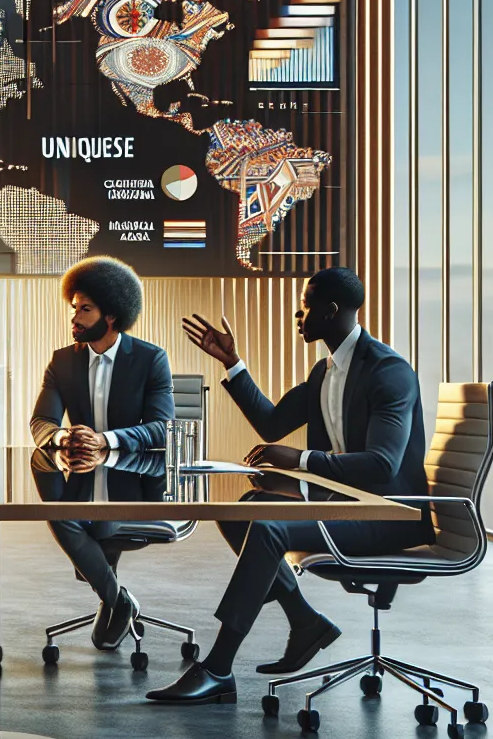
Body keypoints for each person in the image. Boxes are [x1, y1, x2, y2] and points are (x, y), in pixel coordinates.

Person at [146, 266, 434, 704]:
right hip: (345, 506)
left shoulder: (387, 371)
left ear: (331, 311)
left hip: (388, 516)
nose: (297, 315)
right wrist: (231, 362)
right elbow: (272, 422)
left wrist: (297, 460)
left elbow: (381, 465)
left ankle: (218, 668)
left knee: (269, 526)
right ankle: (305, 622)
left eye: (305, 306)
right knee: (241, 509)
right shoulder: (325, 372)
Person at [29, 256, 174, 654]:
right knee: (57, 510)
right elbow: (41, 421)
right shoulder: (62, 360)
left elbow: (161, 429)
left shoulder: (150, 359)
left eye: (85, 308)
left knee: (88, 519)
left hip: (138, 486)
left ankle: (110, 597)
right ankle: (117, 599)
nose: (74, 316)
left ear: (111, 315)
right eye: (73, 307)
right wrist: (61, 437)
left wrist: (105, 440)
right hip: (80, 479)